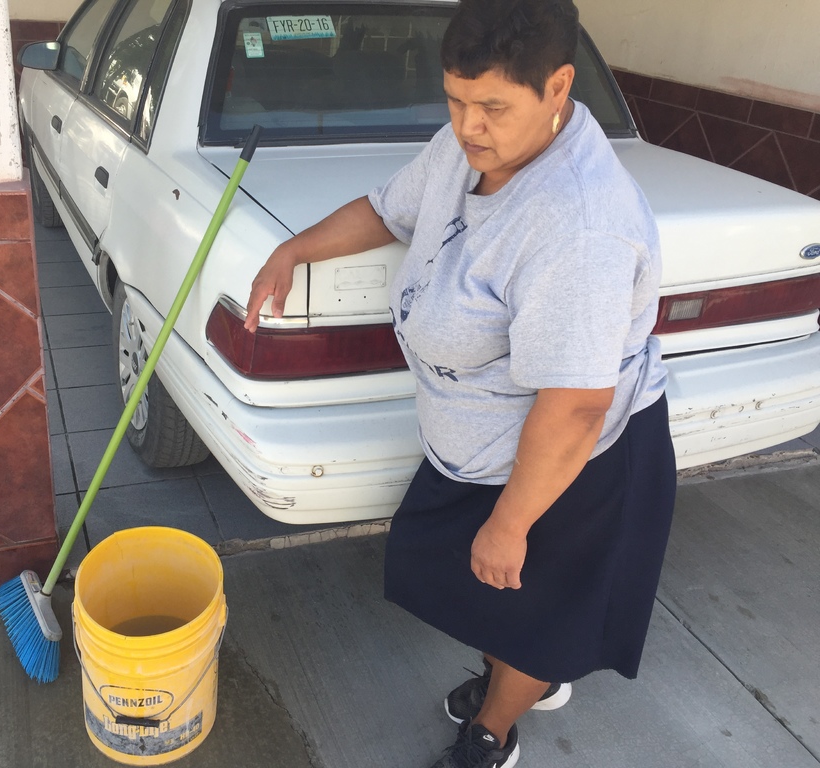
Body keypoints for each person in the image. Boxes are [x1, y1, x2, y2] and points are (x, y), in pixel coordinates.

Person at [244, 0, 677, 765]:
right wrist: (295, 250)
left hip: (569, 463)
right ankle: (518, 674)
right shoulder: (468, 146)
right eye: (454, 99)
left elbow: (575, 408)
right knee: (470, 590)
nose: (468, 126)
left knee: (532, 615)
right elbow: (389, 210)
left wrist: (511, 524)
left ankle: (493, 731)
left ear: (558, 87)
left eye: (493, 108)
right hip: (482, 443)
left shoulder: (578, 226)